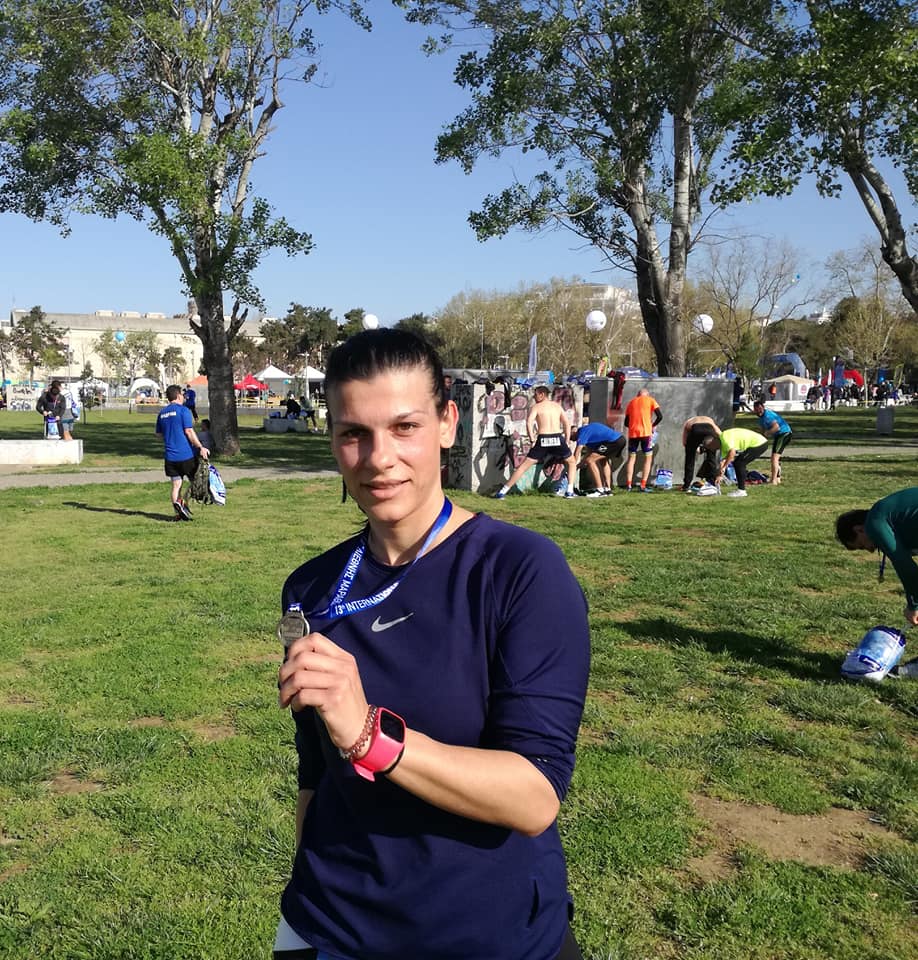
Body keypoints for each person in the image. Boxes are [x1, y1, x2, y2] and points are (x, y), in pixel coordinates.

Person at [275, 328, 590, 960]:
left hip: (484, 933)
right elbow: (317, 766)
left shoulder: (519, 570)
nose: (378, 458)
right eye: (353, 433)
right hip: (328, 927)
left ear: (447, 424)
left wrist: (372, 737)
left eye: (404, 427)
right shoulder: (311, 587)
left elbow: (534, 794)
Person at [836, 488, 918, 627]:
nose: (870, 550)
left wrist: (913, 606)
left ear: (859, 529)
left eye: (862, 546)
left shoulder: (874, 524)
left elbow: (906, 568)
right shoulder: (894, 518)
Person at [494, 384, 578, 499]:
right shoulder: (557, 407)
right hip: (557, 438)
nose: (534, 397)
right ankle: (569, 491)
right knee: (572, 462)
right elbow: (566, 423)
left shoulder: (537, 407)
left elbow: (529, 422)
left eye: (535, 395)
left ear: (542, 394)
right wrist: (567, 440)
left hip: (543, 438)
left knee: (523, 467)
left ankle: (503, 491)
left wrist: (532, 439)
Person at [156, 384, 209, 520]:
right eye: (183, 394)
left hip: (170, 457)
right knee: (197, 481)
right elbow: (189, 431)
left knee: (176, 485)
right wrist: (200, 447)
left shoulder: (162, 413)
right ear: (179, 395)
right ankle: (184, 503)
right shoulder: (184, 410)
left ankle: (178, 511)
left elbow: (158, 435)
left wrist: (170, 435)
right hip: (186, 455)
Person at [703, 427, 769, 498]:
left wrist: (724, 467)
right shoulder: (723, 446)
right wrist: (719, 475)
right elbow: (724, 461)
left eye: (710, 448)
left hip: (759, 443)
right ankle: (741, 489)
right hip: (758, 443)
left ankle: (741, 491)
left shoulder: (724, 439)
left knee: (740, 463)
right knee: (738, 463)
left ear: (712, 443)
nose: (712, 450)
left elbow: (732, 453)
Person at [623, 387, 662, 492]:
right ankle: (643, 485)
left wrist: (633, 426)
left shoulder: (631, 402)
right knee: (648, 458)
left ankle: (629, 485)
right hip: (646, 433)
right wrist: (652, 425)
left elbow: (626, 422)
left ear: (638, 395)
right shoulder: (651, 400)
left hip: (633, 434)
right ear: (647, 394)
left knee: (631, 458)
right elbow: (660, 416)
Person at [570, 421, 625, 496]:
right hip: (619, 439)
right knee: (603, 461)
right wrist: (578, 466)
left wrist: (572, 466)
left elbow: (577, 452)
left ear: (574, 432)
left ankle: (600, 490)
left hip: (614, 441)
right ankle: (608, 490)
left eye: (571, 437)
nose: (571, 440)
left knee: (590, 461)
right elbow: (588, 454)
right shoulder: (589, 437)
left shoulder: (582, 432)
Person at [752, 400, 792, 484]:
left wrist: (767, 433)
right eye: (756, 410)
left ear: (763, 408)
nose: (759, 411)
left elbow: (776, 427)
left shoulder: (768, 416)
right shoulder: (761, 419)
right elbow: (763, 432)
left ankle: (773, 480)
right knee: (776, 458)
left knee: (774, 458)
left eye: (760, 409)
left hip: (784, 434)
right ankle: (777, 479)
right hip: (779, 436)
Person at [681, 415, 721, 491]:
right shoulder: (709, 419)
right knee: (711, 458)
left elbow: (684, 442)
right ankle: (712, 483)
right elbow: (719, 433)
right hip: (710, 430)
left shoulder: (689, 422)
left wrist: (692, 448)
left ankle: (686, 485)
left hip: (696, 430)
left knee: (690, 460)